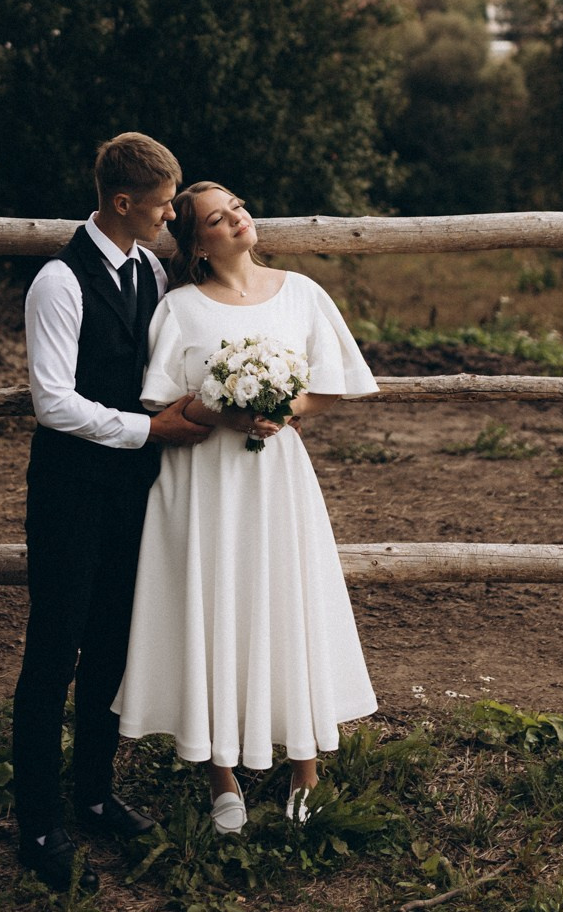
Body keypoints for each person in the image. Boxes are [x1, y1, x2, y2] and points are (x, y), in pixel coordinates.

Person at [112, 181, 378, 831]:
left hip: (275, 477)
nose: (236, 220)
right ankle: (221, 777)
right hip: (205, 479)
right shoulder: (180, 310)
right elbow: (162, 404)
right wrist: (225, 406)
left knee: (286, 604)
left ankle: (304, 773)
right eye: (217, 218)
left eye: (238, 209)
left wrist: (279, 409)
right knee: (214, 608)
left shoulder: (301, 294)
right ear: (197, 244)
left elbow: (334, 383)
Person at [12, 134, 211, 892]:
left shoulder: (151, 270)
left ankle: (93, 794)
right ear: (122, 202)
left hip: (133, 493)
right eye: (163, 202)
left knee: (112, 650)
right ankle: (37, 824)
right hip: (70, 490)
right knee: (53, 655)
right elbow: (53, 400)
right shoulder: (58, 283)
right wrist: (147, 431)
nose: (171, 213)